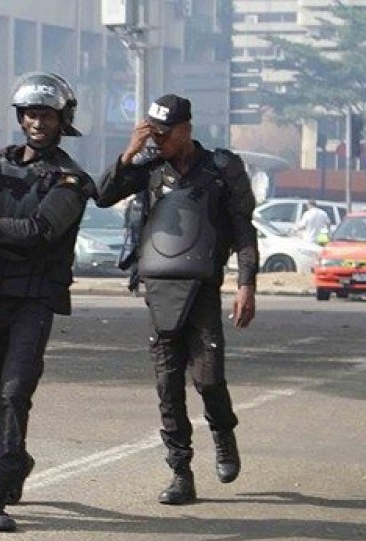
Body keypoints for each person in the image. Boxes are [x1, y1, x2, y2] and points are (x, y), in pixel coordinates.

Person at [95, 94, 258, 505]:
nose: (160, 140)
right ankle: (180, 472)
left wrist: (246, 283)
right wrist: (129, 153)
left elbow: (242, 227)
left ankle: (223, 434)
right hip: (159, 289)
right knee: (168, 386)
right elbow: (101, 195)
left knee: (208, 379)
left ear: (188, 129)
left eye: (166, 133)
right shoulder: (148, 168)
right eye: (153, 132)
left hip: (203, 289)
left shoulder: (222, 169)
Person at [0, 72, 96, 532]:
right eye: (31, 114)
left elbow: (38, 233)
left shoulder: (72, 180)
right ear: (20, 118)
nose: (38, 122)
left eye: (47, 114)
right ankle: (14, 459)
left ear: (63, 121)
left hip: (35, 298)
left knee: (13, 392)